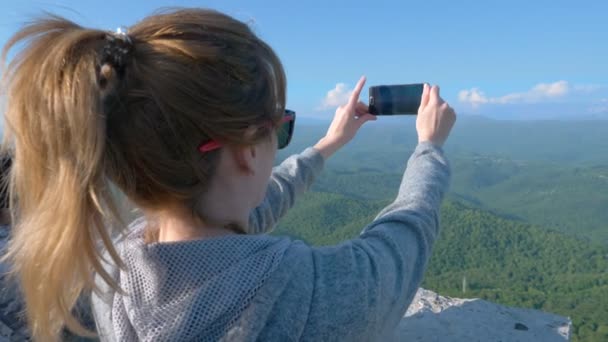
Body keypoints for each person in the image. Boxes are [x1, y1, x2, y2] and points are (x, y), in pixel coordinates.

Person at [1, 8, 456, 342]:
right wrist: (429, 147)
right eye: (280, 128)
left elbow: (245, 214)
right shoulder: (300, 294)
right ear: (243, 151)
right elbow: (399, 247)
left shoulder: (115, 270)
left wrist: (325, 146)